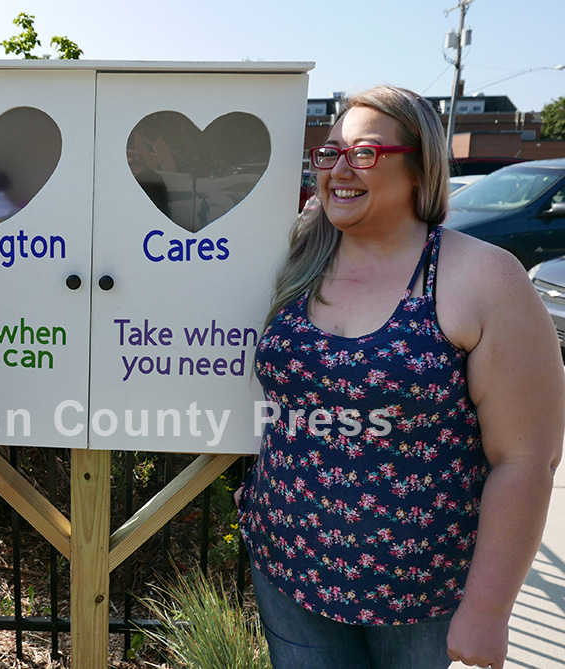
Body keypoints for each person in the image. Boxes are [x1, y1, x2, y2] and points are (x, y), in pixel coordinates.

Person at [238, 86, 563, 669]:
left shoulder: (483, 278)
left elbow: (526, 457)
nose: (338, 167)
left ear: (420, 168)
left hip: (421, 597)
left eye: (363, 153)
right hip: (288, 566)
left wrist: (488, 609)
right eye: (330, 150)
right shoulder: (302, 254)